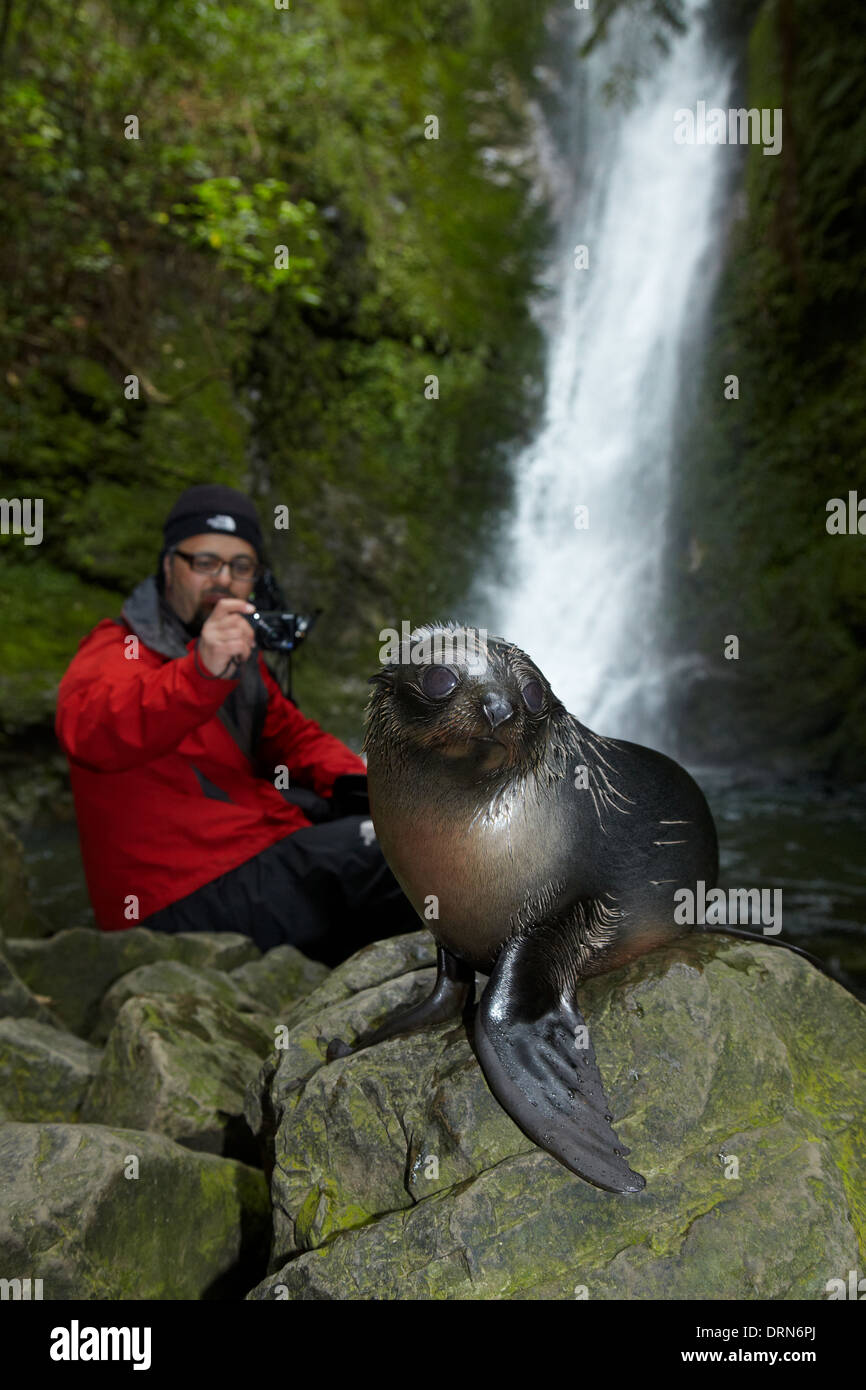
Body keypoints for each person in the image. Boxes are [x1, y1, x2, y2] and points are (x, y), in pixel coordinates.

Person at [55, 484, 417, 965]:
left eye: (240, 567)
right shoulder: (117, 649)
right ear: (168, 566)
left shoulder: (239, 656)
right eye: (205, 563)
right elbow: (92, 732)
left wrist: (367, 784)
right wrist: (201, 672)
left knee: (391, 821)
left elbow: (290, 737)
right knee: (403, 859)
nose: (222, 580)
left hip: (244, 845)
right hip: (174, 895)